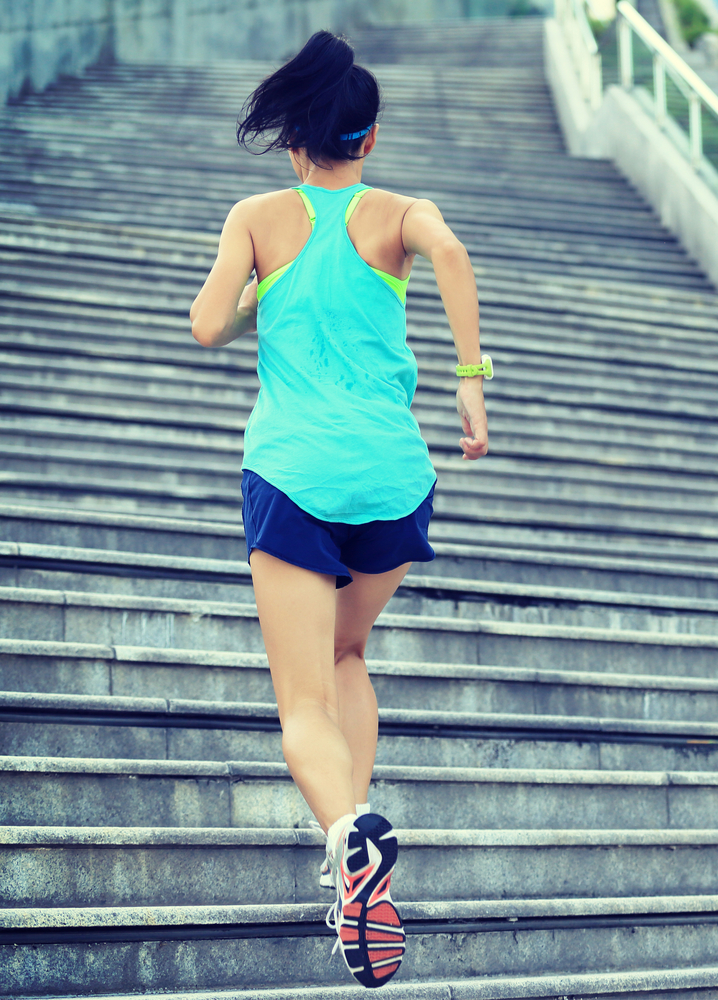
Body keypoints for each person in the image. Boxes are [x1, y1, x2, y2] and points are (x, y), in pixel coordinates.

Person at [188, 29, 490, 988]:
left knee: (302, 700)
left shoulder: (258, 215)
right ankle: (357, 856)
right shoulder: (401, 212)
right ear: (369, 138)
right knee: (350, 653)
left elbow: (205, 327)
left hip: (291, 471)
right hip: (392, 475)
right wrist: (471, 383)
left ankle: (350, 831)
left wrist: (259, 295)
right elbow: (452, 250)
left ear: (295, 140)